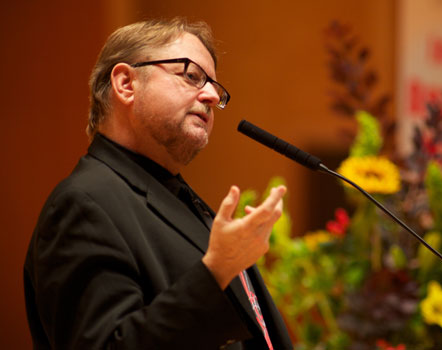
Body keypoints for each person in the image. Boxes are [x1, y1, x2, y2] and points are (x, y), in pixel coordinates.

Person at [23, 18, 292, 350]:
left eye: (214, 87)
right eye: (191, 76)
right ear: (126, 83)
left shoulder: (176, 197)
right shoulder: (83, 203)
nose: (210, 95)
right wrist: (215, 272)